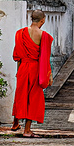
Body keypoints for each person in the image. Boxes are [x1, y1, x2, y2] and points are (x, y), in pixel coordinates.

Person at [11, 9, 53, 137]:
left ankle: (15, 123)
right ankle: (27, 130)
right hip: (35, 68)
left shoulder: (20, 33)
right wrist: (48, 75)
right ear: (42, 20)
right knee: (33, 98)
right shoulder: (43, 35)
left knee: (20, 95)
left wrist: (19, 72)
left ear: (31, 18)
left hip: (23, 67)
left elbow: (17, 55)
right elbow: (45, 58)